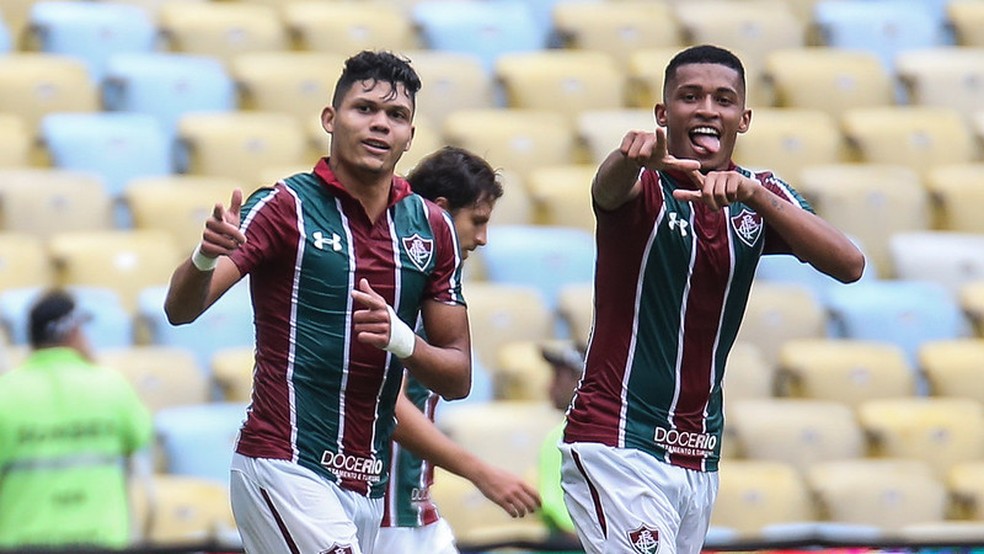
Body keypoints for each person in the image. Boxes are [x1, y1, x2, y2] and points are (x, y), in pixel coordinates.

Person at [559, 44, 866, 554]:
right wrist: (624, 157)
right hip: (617, 440)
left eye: (723, 100)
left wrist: (756, 197)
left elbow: (849, 264)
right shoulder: (645, 183)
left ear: (743, 118)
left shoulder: (759, 193)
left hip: (698, 454)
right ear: (663, 113)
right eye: (690, 97)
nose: (707, 109)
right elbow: (608, 191)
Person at [164, 50, 472, 554]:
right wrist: (203, 257)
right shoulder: (286, 206)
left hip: (368, 484)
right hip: (284, 464)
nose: (380, 125)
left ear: (411, 135)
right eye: (364, 109)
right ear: (330, 118)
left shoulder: (431, 227)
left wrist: (401, 339)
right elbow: (180, 311)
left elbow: (458, 376)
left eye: (396, 116)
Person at [376, 145, 541, 553]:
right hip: (375, 520)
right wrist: (480, 472)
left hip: (414, 516)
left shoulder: (435, 295)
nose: (482, 239)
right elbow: (386, 405)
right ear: (440, 212)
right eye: (477, 221)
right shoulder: (390, 285)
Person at [0, 289, 153, 549]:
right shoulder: (110, 385)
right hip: (101, 540)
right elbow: (139, 436)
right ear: (74, 332)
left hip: (22, 542)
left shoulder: (6, 392)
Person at [537, 342, 584, 551]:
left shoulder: (562, 437)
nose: (548, 386)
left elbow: (567, 525)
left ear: (581, 380)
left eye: (558, 376)